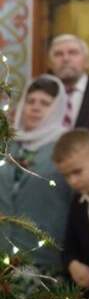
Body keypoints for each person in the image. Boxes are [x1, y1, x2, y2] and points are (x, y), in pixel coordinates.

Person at [0, 75, 72, 271]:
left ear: (57, 109)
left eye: (45, 103)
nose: (35, 108)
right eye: (30, 101)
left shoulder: (66, 146)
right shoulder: (7, 143)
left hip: (42, 258)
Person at [53, 129, 89, 299]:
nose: (72, 181)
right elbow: (69, 245)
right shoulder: (78, 202)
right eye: (66, 176)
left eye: (77, 172)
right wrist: (72, 263)